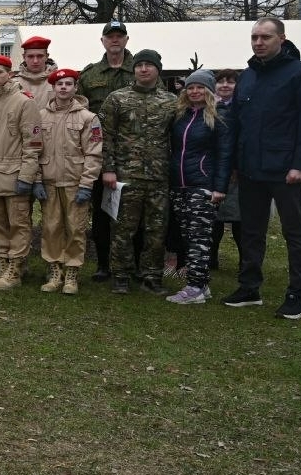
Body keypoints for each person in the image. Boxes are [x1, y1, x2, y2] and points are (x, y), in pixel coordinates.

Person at [222, 17, 301, 319]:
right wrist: (235, 163)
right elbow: (236, 124)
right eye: (254, 37)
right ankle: (250, 288)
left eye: (266, 37)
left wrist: (300, 165)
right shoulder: (247, 76)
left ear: (282, 39)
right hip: (250, 169)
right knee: (251, 231)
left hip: (286, 170)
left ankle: (297, 295)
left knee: (294, 232)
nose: (258, 42)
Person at [99, 49, 177, 296]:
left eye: (149, 65)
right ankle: (120, 275)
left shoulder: (171, 102)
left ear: (157, 70)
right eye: (139, 65)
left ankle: (151, 276)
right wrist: (108, 169)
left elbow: (177, 139)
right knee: (122, 229)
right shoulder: (117, 99)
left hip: (158, 176)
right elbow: (105, 136)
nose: (144, 69)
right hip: (125, 176)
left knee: (156, 230)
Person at [164, 69, 232, 305]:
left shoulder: (218, 115)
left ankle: (194, 288)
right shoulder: (181, 115)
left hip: (203, 185)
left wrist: (219, 187)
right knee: (187, 236)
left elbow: (225, 155)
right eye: (191, 87)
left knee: (199, 239)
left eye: (200, 87)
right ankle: (201, 283)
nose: (194, 91)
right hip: (179, 185)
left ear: (209, 90)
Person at [35, 68, 102, 296]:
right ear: (53, 88)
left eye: (68, 84)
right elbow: (34, 150)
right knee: (51, 227)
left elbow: (94, 153)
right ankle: (54, 270)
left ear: (75, 88)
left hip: (75, 183)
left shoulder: (88, 118)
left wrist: (87, 184)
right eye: (59, 84)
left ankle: (72, 272)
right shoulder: (41, 116)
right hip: (49, 182)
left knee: (75, 228)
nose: (63, 87)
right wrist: (36, 180)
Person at [0, 55, 42, 290]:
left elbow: (32, 143)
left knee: (18, 224)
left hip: (15, 175)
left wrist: (27, 176)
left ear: (10, 74)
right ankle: (3, 264)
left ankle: (16, 268)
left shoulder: (24, 102)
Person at [78, 19, 135, 282]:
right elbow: (79, 112)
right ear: (103, 41)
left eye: (119, 36)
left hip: (134, 154)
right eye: (110, 36)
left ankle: (131, 264)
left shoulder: (141, 70)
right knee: (102, 212)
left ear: (126, 40)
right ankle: (103, 263)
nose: (115, 40)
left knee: (134, 213)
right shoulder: (89, 75)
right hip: (99, 153)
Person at [209, 68, 240, 270]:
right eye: (221, 82)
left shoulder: (242, 109)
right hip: (211, 169)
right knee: (213, 220)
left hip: (237, 172)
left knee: (239, 219)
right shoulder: (208, 108)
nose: (225, 85)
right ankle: (211, 259)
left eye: (230, 82)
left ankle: (245, 262)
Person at [14, 36, 57, 106]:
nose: (35, 61)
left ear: (47, 56)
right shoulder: (14, 83)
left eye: (40, 56)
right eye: (30, 56)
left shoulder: (58, 81)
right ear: (24, 57)